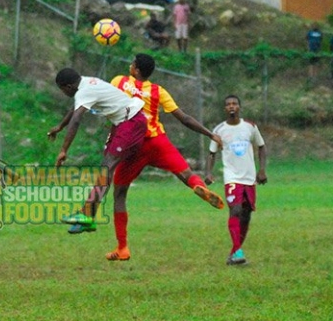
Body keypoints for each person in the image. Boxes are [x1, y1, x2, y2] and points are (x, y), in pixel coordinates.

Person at [105, 53, 224, 260]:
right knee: (185, 173)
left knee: (120, 194)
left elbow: (105, 102)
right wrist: (209, 133)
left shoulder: (119, 81)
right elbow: (184, 118)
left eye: (132, 63)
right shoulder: (158, 91)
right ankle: (199, 186)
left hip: (133, 145)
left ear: (136, 70)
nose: (130, 65)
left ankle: (122, 247)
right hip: (157, 141)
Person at [47, 68, 147, 245]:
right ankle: (88, 217)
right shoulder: (86, 82)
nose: (64, 93)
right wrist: (60, 127)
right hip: (124, 122)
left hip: (131, 122)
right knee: (105, 167)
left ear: (68, 86)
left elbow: (76, 119)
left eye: (62, 90)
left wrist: (63, 150)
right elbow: (75, 109)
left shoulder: (84, 91)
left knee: (107, 167)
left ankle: (87, 215)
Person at [205, 95, 267, 266]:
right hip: (231, 177)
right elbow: (212, 153)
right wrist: (209, 173)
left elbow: (261, 147)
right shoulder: (219, 130)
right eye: (228, 104)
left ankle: (234, 252)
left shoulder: (250, 127)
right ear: (224, 109)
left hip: (249, 177)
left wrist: (262, 170)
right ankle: (238, 251)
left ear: (239, 107)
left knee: (246, 214)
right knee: (236, 210)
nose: (231, 106)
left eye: (234, 104)